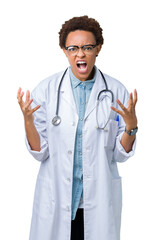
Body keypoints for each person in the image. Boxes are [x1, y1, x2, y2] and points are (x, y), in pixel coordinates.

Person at [17, 16, 138, 240]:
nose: (80, 54)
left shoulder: (116, 92)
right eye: (73, 48)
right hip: (56, 201)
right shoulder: (46, 91)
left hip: (99, 201)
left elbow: (120, 155)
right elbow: (40, 151)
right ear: (64, 50)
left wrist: (131, 127)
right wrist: (28, 121)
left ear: (98, 48)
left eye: (87, 47)